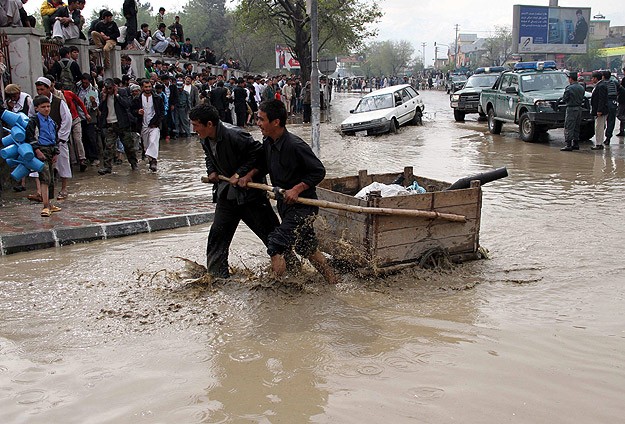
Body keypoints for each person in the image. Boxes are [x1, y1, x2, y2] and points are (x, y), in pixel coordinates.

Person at [189, 103, 282, 279]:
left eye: (196, 125)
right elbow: (210, 157)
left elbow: (260, 157)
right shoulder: (204, 137)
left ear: (209, 124)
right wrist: (212, 171)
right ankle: (216, 277)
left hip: (250, 196)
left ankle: (293, 270)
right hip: (227, 194)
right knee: (218, 235)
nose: (193, 129)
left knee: (273, 236)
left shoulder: (236, 135)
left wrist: (241, 174)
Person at [256, 99, 337, 284]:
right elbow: (262, 167)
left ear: (276, 122)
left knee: (275, 244)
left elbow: (319, 171)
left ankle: (277, 287)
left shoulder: (295, 145)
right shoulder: (268, 143)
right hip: (286, 206)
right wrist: (243, 177)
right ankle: (333, 281)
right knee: (306, 247)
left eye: (261, 119)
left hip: (304, 207)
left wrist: (297, 189)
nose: (258, 124)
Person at [35, 76, 72, 200]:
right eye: (38, 89)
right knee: (41, 167)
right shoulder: (36, 103)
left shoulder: (59, 102)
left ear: (48, 88)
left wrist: (61, 138)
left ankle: (64, 188)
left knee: (62, 163)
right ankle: (41, 192)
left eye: (42, 89)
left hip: (57, 140)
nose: (40, 92)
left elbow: (67, 119)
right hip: (42, 142)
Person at [26, 96, 63, 217]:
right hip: (41, 150)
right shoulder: (34, 121)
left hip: (50, 150)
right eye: (43, 107)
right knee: (45, 177)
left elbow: (55, 138)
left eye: (48, 106)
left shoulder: (51, 121)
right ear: (36, 108)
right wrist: (37, 151)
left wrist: (56, 152)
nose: (46, 109)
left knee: (51, 178)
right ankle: (45, 205)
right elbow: (30, 137)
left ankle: (50, 204)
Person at [97, 78, 138, 174]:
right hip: (110, 124)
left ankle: (133, 164)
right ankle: (107, 167)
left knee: (128, 146)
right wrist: (103, 98)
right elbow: (101, 109)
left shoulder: (122, 92)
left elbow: (127, 104)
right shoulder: (103, 95)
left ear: (114, 87)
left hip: (122, 124)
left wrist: (117, 95)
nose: (109, 90)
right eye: (107, 88)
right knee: (108, 147)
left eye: (110, 88)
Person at [131, 80, 164, 172]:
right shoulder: (137, 99)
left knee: (153, 141)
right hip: (143, 125)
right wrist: (138, 112)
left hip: (154, 125)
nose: (148, 89)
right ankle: (151, 161)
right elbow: (132, 111)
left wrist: (157, 122)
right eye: (146, 87)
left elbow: (161, 112)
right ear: (142, 87)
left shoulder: (157, 98)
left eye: (149, 87)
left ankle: (154, 161)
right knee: (146, 146)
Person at [560, 71, 585, 152]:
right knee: (576, 126)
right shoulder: (581, 87)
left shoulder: (569, 88)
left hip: (571, 108)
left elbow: (565, 98)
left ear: (570, 79)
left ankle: (568, 144)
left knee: (569, 126)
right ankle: (576, 143)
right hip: (579, 108)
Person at [602, 70, 624, 146]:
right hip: (613, 103)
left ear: (603, 76)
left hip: (604, 103)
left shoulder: (602, 84)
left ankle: (601, 138)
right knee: (611, 121)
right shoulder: (614, 83)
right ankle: (608, 138)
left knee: (601, 122)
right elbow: (622, 90)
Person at [590, 71, 608, 151]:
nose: (591, 79)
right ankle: (599, 143)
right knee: (598, 127)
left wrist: (599, 110)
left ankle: (599, 144)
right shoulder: (599, 85)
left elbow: (602, 99)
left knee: (599, 127)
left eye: (592, 78)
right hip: (598, 110)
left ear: (596, 78)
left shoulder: (601, 86)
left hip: (600, 111)